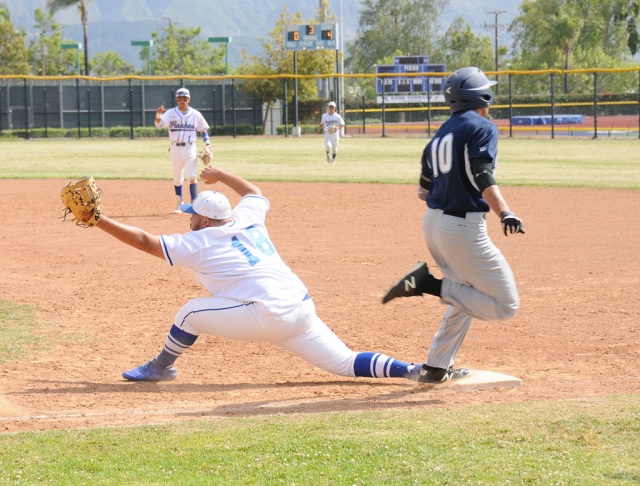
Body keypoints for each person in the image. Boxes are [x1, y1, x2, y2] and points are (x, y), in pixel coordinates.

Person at [83, 166, 418, 383]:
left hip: (267, 314)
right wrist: (220, 174)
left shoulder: (198, 241)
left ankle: (160, 367)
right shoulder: (247, 218)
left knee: (190, 313)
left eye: (192, 215)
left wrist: (98, 220)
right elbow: (255, 194)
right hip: (300, 309)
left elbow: (145, 241)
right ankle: (413, 371)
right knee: (345, 362)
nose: (188, 219)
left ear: (203, 221)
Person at [381, 67, 525, 385]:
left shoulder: (438, 135)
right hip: (462, 227)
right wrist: (505, 212)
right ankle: (426, 284)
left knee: (465, 292)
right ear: (480, 95)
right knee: (505, 305)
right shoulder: (482, 126)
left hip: (434, 223)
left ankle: (435, 367)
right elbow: (482, 174)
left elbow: (423, 190)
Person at [155, 87, 211, 213]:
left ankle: (194, 205)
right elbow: (159, 125)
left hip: (190, 148)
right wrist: (158, 114)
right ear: (177, 100)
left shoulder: (196, 114)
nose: (182, 101)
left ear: (189, 99)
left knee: (192, 176)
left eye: (184, 99)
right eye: (179, 99)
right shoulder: (170, 113)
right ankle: (179, 204)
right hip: (175, 148)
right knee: (177, 177)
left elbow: (203, 130)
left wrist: (207, 144)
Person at [316, 101, 345, 165]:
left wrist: (336, 127)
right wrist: (319, 129)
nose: (331, 108)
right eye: (330, 107)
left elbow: (342, 124)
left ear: (335, 108)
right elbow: (322, 124)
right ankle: (327, 154)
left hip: (335, 134)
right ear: (328, 108)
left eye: (332, 107)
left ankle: (333, 160)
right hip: (327, 133)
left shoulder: (337, 116)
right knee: (328, 146)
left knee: (334, 148)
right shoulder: (324, 116)